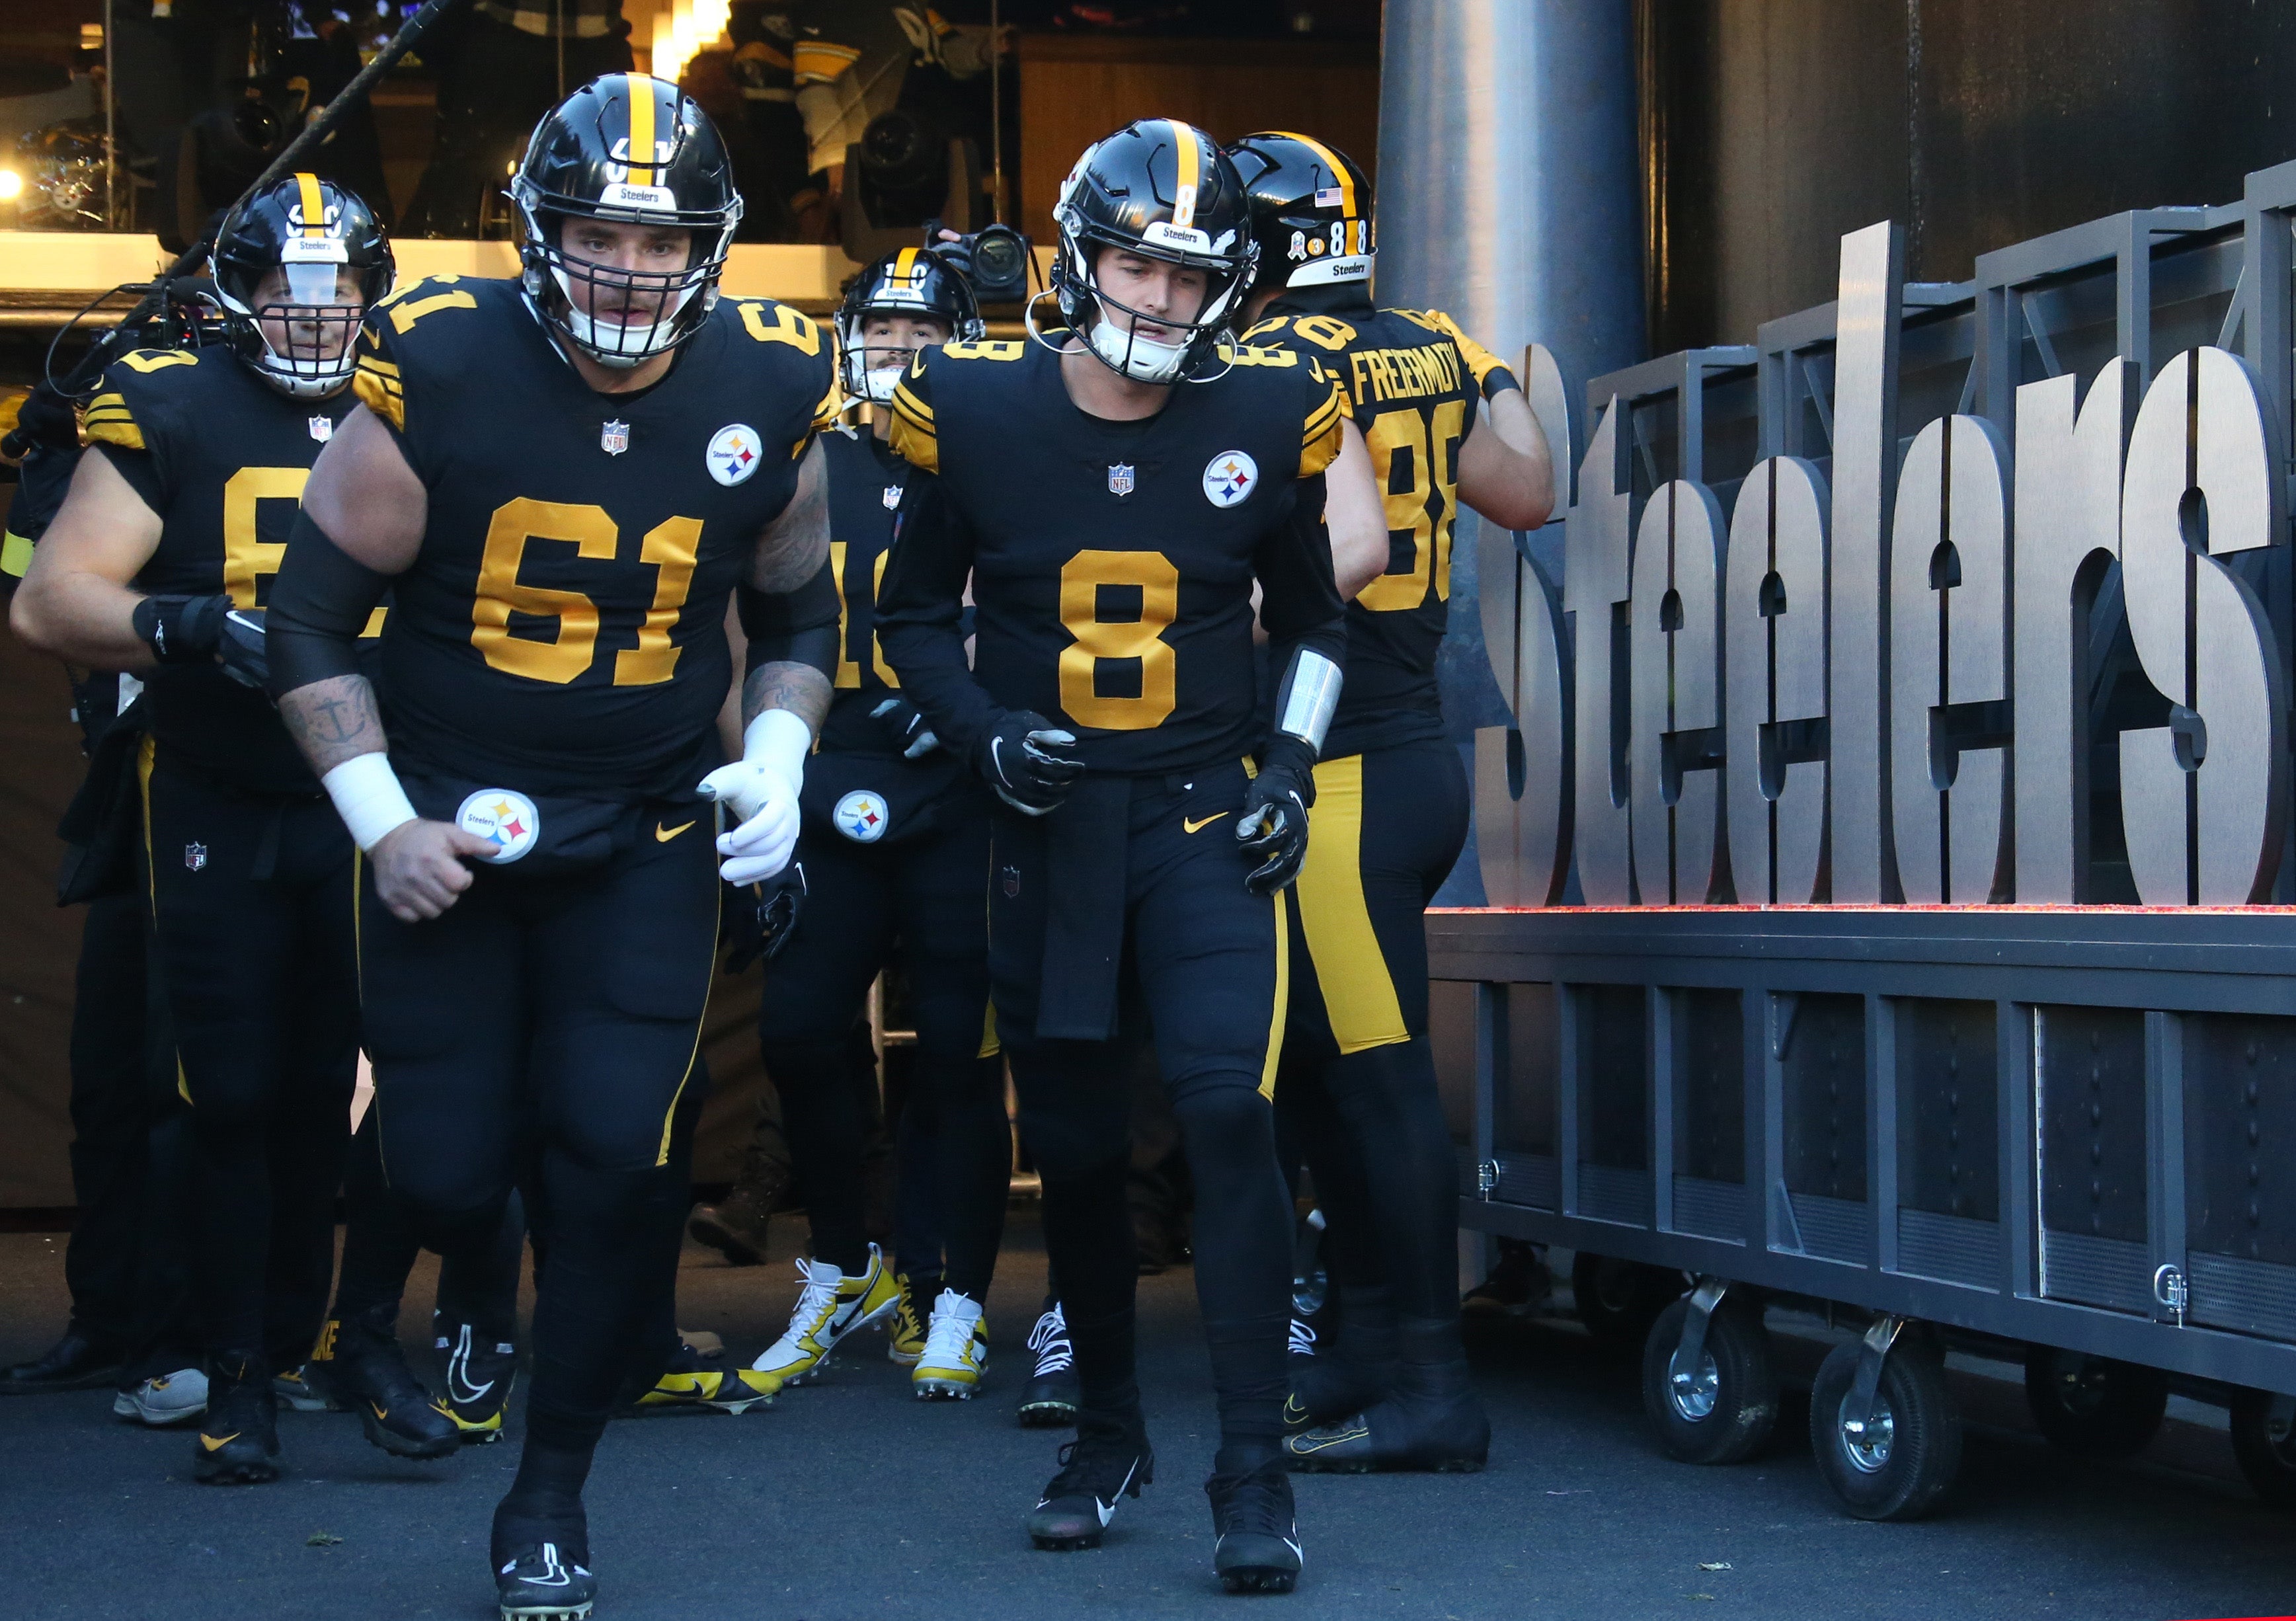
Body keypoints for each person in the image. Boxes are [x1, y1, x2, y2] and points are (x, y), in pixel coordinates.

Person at [264, 74, 838, 1619]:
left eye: (664, 239)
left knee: (611, 1161)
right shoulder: (444, 358)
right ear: (540, 226)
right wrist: (382, 822)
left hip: (645, 828)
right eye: (600, 229)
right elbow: (307, 616)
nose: (631, 267)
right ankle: (465, 1299)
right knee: (452, 1161)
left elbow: (795, 607)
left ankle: (550, 1493)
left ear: (712, 246)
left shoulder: (775, 378)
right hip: (452, 815)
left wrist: (776, 752)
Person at [875, 118, 1386, 1595]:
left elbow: (1319, 621)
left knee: (1228, 1115)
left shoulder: (1273, 404)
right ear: (1079, 255)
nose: (1160, 301)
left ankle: (1252, 1467)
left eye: (1190, 276)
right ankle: (1106, 1430)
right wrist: (978, 729)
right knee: (1086, 1152)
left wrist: (1288, 764)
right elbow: (909, 619)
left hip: (1204, 820)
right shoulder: (972, 404)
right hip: (1049, 828)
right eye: (1136, 266)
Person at [7, 174, 463, 1480]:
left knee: (397, 1081)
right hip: (216, 782)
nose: (315, 315)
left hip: (382, 787)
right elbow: (51, 598)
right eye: (286, 289)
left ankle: (361, 1333)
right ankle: (239, 1367)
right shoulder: (172, 397)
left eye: (337, 291)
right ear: (237, 293)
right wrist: (187, 623)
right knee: (234, 1091)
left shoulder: (431, 394)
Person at [1225, 130, 1555, 1474]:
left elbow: (1342, 552)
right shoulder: (1422, 341)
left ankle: (1433, 1381)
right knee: (1321, 1073)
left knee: (1375, 1080)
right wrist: (1478, 368)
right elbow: (1527, 484)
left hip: (1343, 764)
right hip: (1411, 748)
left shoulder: (1274, 362)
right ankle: (1370, 1339)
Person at [725, 246, 1011, 1403]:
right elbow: (749, 621)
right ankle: (845, 1262)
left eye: (917, 333)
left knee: (955, 1050)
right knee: (797, 1027)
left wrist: (979, 714)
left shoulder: (999, 453)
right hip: (826, 757)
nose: (894, 353)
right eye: (879, 332)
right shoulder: (805, 458)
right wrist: (750, 762)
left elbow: (1042, 605)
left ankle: (951, 1293)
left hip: (954, 772)